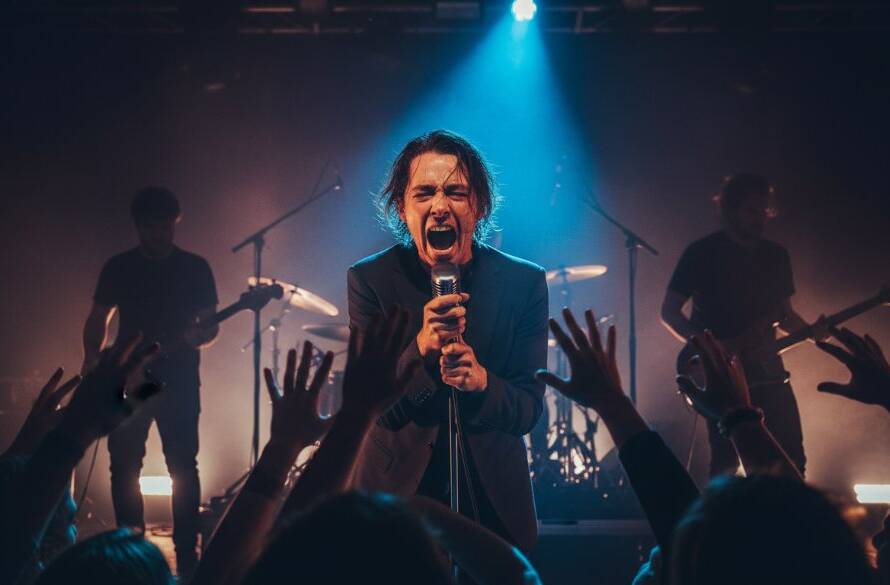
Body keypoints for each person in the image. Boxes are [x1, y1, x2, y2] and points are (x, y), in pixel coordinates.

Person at [346, 130, 548, 551]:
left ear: (479, 206)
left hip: (491, 495)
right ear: (402, 208)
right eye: (424, 194)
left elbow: (528, 411)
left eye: (455, 192)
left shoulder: (522, 283)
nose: (439, 206)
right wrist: (420, 348)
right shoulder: (371, 281)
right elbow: (376, 411)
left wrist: (482, 383)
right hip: (394, 491)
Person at [81, 187, 219, 575]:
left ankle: (186, 551)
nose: (161, 233)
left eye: (167, 225)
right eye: (153, 226)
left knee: (183, 464)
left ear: (175, 223)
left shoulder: (195, 267)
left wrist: (201, 336)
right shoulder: (119, 267)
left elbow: (209, 325)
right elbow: (98, 319)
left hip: (180, 380)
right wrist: (93, 358)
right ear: (138, 226)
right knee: (124, 465)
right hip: (131, 377)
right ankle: (130, 545)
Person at [661, 173, 824, 477]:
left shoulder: (776, 256)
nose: (759, 219)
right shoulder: (701, 253)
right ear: (730, 209)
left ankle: (790, 522)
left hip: (770, 375)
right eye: (751, 211)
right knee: (726, 464)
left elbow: (784, 315)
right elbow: (670, 311)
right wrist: (712, 349)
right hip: (722, 377)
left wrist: (815, 335)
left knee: (792, 461)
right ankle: (724, 524)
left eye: (764, 212)